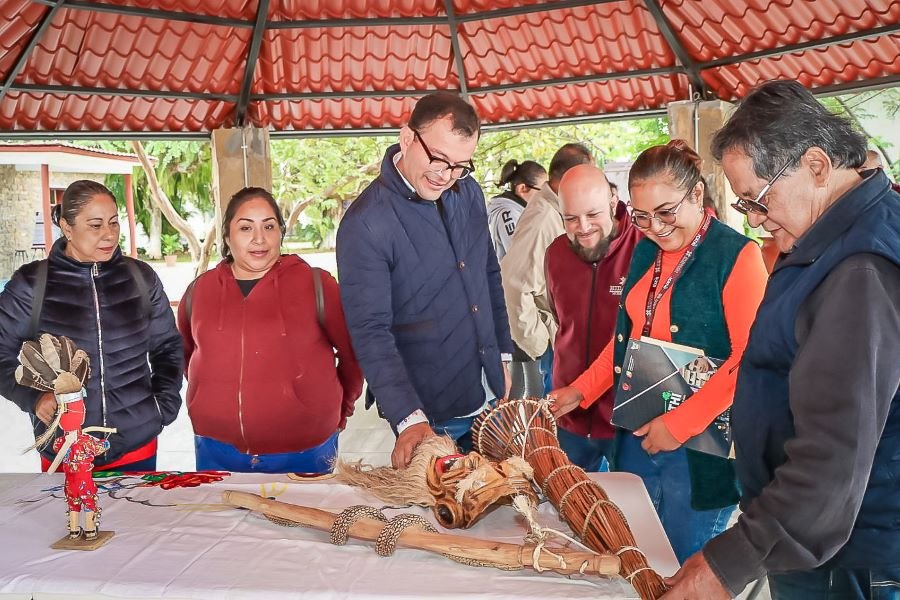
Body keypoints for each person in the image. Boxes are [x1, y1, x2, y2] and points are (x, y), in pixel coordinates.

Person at [663, 81, 900, 600]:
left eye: (758, 199)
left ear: (816, 165)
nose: (754, 219)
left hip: (847, 556)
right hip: (812, 541)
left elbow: (831, 459)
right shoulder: (834, 235)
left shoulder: (859, 269)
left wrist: (729, 563)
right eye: (745, 203)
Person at [549, 140, 768, 563]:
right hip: (637, 435)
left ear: (697, 194)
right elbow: (626, 343)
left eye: (666, 212)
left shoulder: (737, 255)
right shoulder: (645, 249)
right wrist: (580, 390)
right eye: (642, 216)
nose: (655, 227)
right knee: (636, 558)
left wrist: (678, 424)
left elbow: (747, 360)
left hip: (700, 450)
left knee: (683, 568)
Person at [336, 92, 513, 469]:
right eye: (438, 158)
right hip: (428, 411)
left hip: (489, 392)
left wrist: (502, 353)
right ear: (407, 138)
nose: (445, 175)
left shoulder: (468, 192)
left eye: (460, 165)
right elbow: (369, 330)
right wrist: (409, 420)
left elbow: (487, 272)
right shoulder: (365, 223)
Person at [0, 180, 183, 472]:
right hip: (64, 447)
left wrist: (163, 405)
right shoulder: (32, 284)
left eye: (114, 222)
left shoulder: (140, 278)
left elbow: (167, 346)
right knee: (71, 505)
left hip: (136, 446)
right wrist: (32, 398)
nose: (109, 234)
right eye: (95, 225)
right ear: (67, 227)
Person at [178, 187, 363, 474]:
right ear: (227, 237)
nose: (259, 238)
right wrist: (210, 397)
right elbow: (186, 354)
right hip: (215, 449)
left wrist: (343, 407)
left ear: (280, 233)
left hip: (305, 448)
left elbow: (353, 355)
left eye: (269, 226)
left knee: (304, 507)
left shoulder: (317, 285)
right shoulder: (199, 291)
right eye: (245, 228)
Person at [545, 164, 642, 471]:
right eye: (571, 218)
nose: (583, 228)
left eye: (593, 214)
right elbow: (560, 318)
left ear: (613, 202)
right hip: (568, 414)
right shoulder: (555, 254)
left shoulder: (645, 250)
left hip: (625, 419)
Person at [501, 143, 594, 398]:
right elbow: (513, 283)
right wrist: (539, 343)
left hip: (560, 334)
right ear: (568, 179)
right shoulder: (543, 219)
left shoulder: (558, 209)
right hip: (549, 341)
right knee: (548, 411)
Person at [487, 159, 547, 262]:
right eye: (542, 191)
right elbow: (522, 258)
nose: (545, 196)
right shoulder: (508, 214)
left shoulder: (524, 213)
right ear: (522, 189)